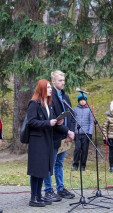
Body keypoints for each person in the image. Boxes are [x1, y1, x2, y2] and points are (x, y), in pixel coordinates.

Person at [27, 79, 63, 207]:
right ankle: (33, 197)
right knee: (36, 170)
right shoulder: (34, 103)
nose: (50, 89)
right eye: (48, 87)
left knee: (43, 170)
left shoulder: (48, 104)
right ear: (42, 89)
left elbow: (51, 121)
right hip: (37, 141)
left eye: (50, 87)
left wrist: (60, 125)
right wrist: (48, 123)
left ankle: (39, 195)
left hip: (47, 140)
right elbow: (30, 122)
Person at [43, 70, 75, 202]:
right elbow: (54, 119)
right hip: (54, 136)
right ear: (54, 81)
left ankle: (61, 189)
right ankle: (48, 190)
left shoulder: (65, 96)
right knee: (50, 163)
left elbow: (72, 115)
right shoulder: (51, 97)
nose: (63, 82)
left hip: (65, 137)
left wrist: (71, 132)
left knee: (59, 163)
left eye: (64, 80)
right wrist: (66, 131)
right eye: (60, 80)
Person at [72, 94, 94, 171]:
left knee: (85, 149)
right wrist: (73, 132)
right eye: (81, 100)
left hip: (86, 133)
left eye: (84, 100)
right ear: (79, 101)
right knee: (77, 149)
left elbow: (91, 122)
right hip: (77, 133)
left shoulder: (89, 110)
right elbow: (73, 121)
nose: (82, 101)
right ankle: (75, 164)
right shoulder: (74, 109)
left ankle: (83, 165)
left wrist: (90, 133)